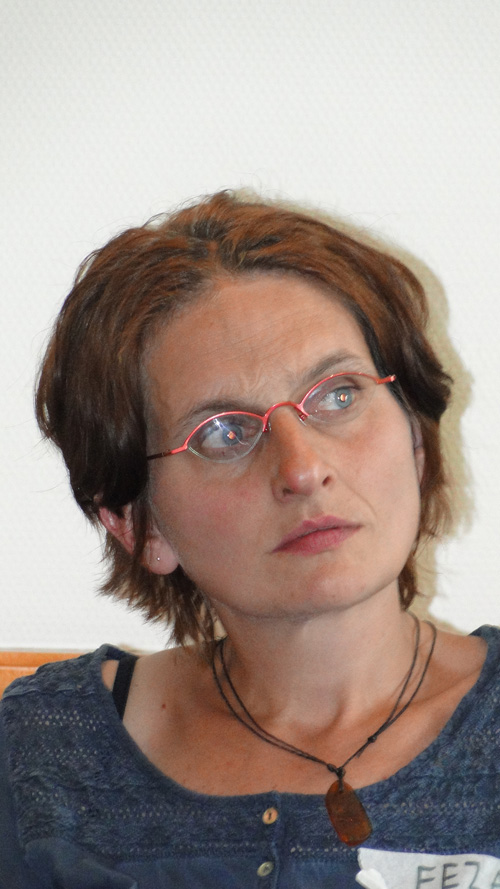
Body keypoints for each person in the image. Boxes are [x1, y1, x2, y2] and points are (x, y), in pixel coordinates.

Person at [1, 191, 499, 889]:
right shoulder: (41, 762)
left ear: (415, 441)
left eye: (338, 394)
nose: (302, 469)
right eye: (224, 433)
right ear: (138, 524)